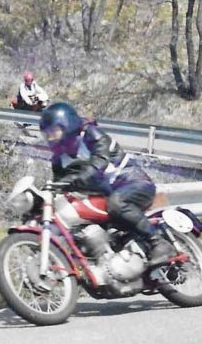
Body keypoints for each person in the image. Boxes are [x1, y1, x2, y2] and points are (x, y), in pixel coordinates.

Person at [38, 102, 174, 268]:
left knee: (116, 203)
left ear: (67, 125)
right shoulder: (59, 159)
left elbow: (98, 164)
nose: (50, 138)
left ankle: (158, 242)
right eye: (46, 134)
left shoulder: (92, 135)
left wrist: (75, 179)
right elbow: (59, 185)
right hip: (105, 194)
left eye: (53, 132)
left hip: (134, 183)